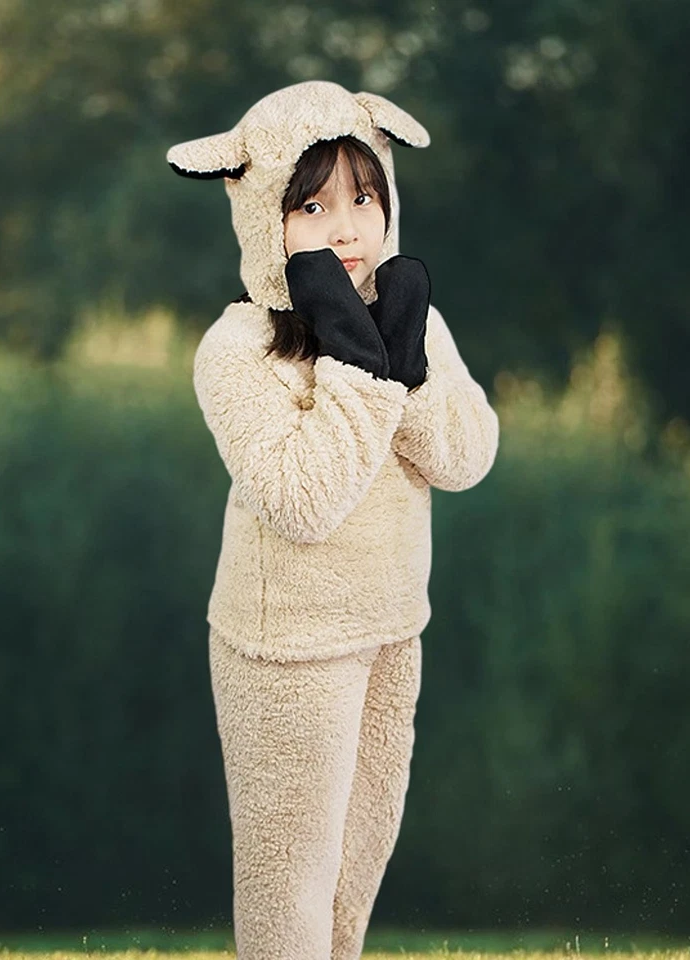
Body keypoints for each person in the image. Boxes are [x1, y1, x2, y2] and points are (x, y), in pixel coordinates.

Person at [166, 79, 500, 960]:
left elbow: (465, 458)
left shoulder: (413, 321)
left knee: (355, 870)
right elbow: (304, 500)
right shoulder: (236, 350)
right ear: (260, 214)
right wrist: (360, 365)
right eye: (310, 204)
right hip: (288, 645)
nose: (345, 227)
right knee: (292, 880)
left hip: (392, 626)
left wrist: (404, 359)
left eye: (363, 197)